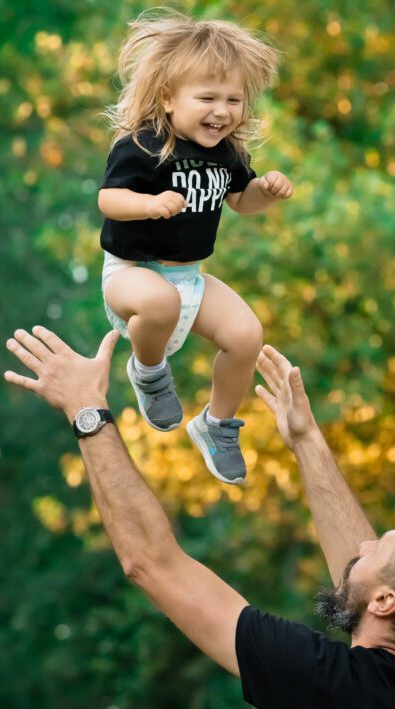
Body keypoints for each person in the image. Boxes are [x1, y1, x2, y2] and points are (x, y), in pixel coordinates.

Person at [4, 326, 395, 709]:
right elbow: (361, 578)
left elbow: (153, 564)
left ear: (387, 603)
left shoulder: (317, 681)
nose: (363, 542)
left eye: (378, 546)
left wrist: (86, 409)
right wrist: (306, 439)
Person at [98, 9, 294, 485]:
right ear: (168, 99)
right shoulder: (143, 145)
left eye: (234, 99)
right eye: (207, 97)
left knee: (247, 334)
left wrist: (263, 193)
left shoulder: (227, 153)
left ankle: (217, 425)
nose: (222, 111)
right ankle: (149, 371)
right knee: (160, 302)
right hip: (131, 274)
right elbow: (108, 198)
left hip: (191, 277)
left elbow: (241, 202)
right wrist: (148, 205)